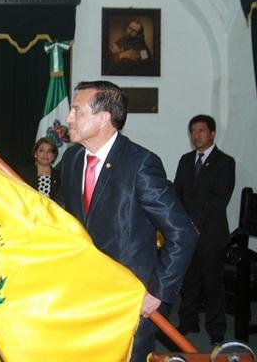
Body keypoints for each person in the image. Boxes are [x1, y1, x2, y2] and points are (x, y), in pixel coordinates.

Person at [58, 81, 198, 362]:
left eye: (76, 110)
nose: (69, 118)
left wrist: (159, 293)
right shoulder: (72, 158)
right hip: (83, 293)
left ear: (103, 118)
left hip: (130, 299)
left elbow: (183, 232)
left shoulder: (140, 164)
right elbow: (62, 220)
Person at [174, 114, 235, 345]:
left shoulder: (225, 162)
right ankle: (188, 321)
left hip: (211, 233)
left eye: (201, 131)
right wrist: (182, 223)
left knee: (213, 283)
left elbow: (219, 199)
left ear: (212, 133)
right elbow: (177, 193)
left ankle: (216, 329)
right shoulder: (185, 160)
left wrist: (194, 224)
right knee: (188, 280)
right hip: (187, 233)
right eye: (193, 131)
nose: (196, 136)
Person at [19, 137, 60, 202]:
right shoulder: (24, 174)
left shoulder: (60, 177)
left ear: (53, 156)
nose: (45, 155)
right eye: (41, 150)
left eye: (49, 151)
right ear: (35, 154)